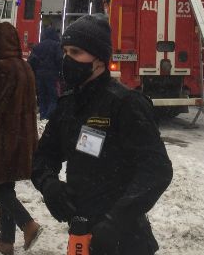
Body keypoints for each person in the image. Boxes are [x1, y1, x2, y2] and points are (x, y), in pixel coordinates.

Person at [32, 15, 173, 255]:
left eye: (76, 52)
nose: (67, 59)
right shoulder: (68, 105)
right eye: (65, 51)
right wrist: (49, 184)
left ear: (99, 58)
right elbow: (43, 156)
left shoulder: (125, 104)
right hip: (81, 232)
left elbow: (157, 170)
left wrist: (116, 219)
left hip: (125, 238)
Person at [0, 21, 42, 254]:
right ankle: (6, 240)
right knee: (6, 186)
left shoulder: (1, 68)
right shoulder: (24, 66)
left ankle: (28, 224)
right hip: (21, 137)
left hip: (3, 138)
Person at [28, 26, 63, 120]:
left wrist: (35, 72)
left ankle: (43, 116)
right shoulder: (57, 46)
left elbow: (31, 61)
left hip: (39, 75)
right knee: (53, 97)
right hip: (52, 75)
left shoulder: (38, 46)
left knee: (42, 96)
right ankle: (49, 117)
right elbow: (60, 60)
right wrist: (61, 73)